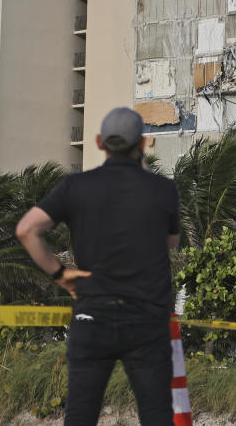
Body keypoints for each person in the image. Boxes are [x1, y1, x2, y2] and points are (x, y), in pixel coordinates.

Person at [16, 107, 181, 426]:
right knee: (157, 415)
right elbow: (170, 244)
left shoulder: (75, 187)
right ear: (143, 144)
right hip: (147, 319)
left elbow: (26, 230)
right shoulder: (163, 190)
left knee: (80, 415)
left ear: (98, 143)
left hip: (92, 314)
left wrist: (60, 274)